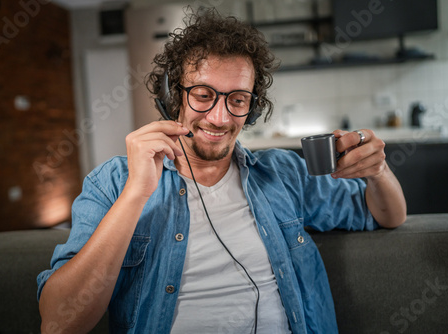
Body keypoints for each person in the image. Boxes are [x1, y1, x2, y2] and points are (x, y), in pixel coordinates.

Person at [37, 7, 406, 334]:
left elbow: (387, 214)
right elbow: (58, 324)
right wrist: (136, 193)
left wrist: (378, 171)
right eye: (202, 94)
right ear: (173, 96)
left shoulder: (284, 173)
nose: (219, 117)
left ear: (253, 109)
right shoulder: (113, 183)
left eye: (237, 100)